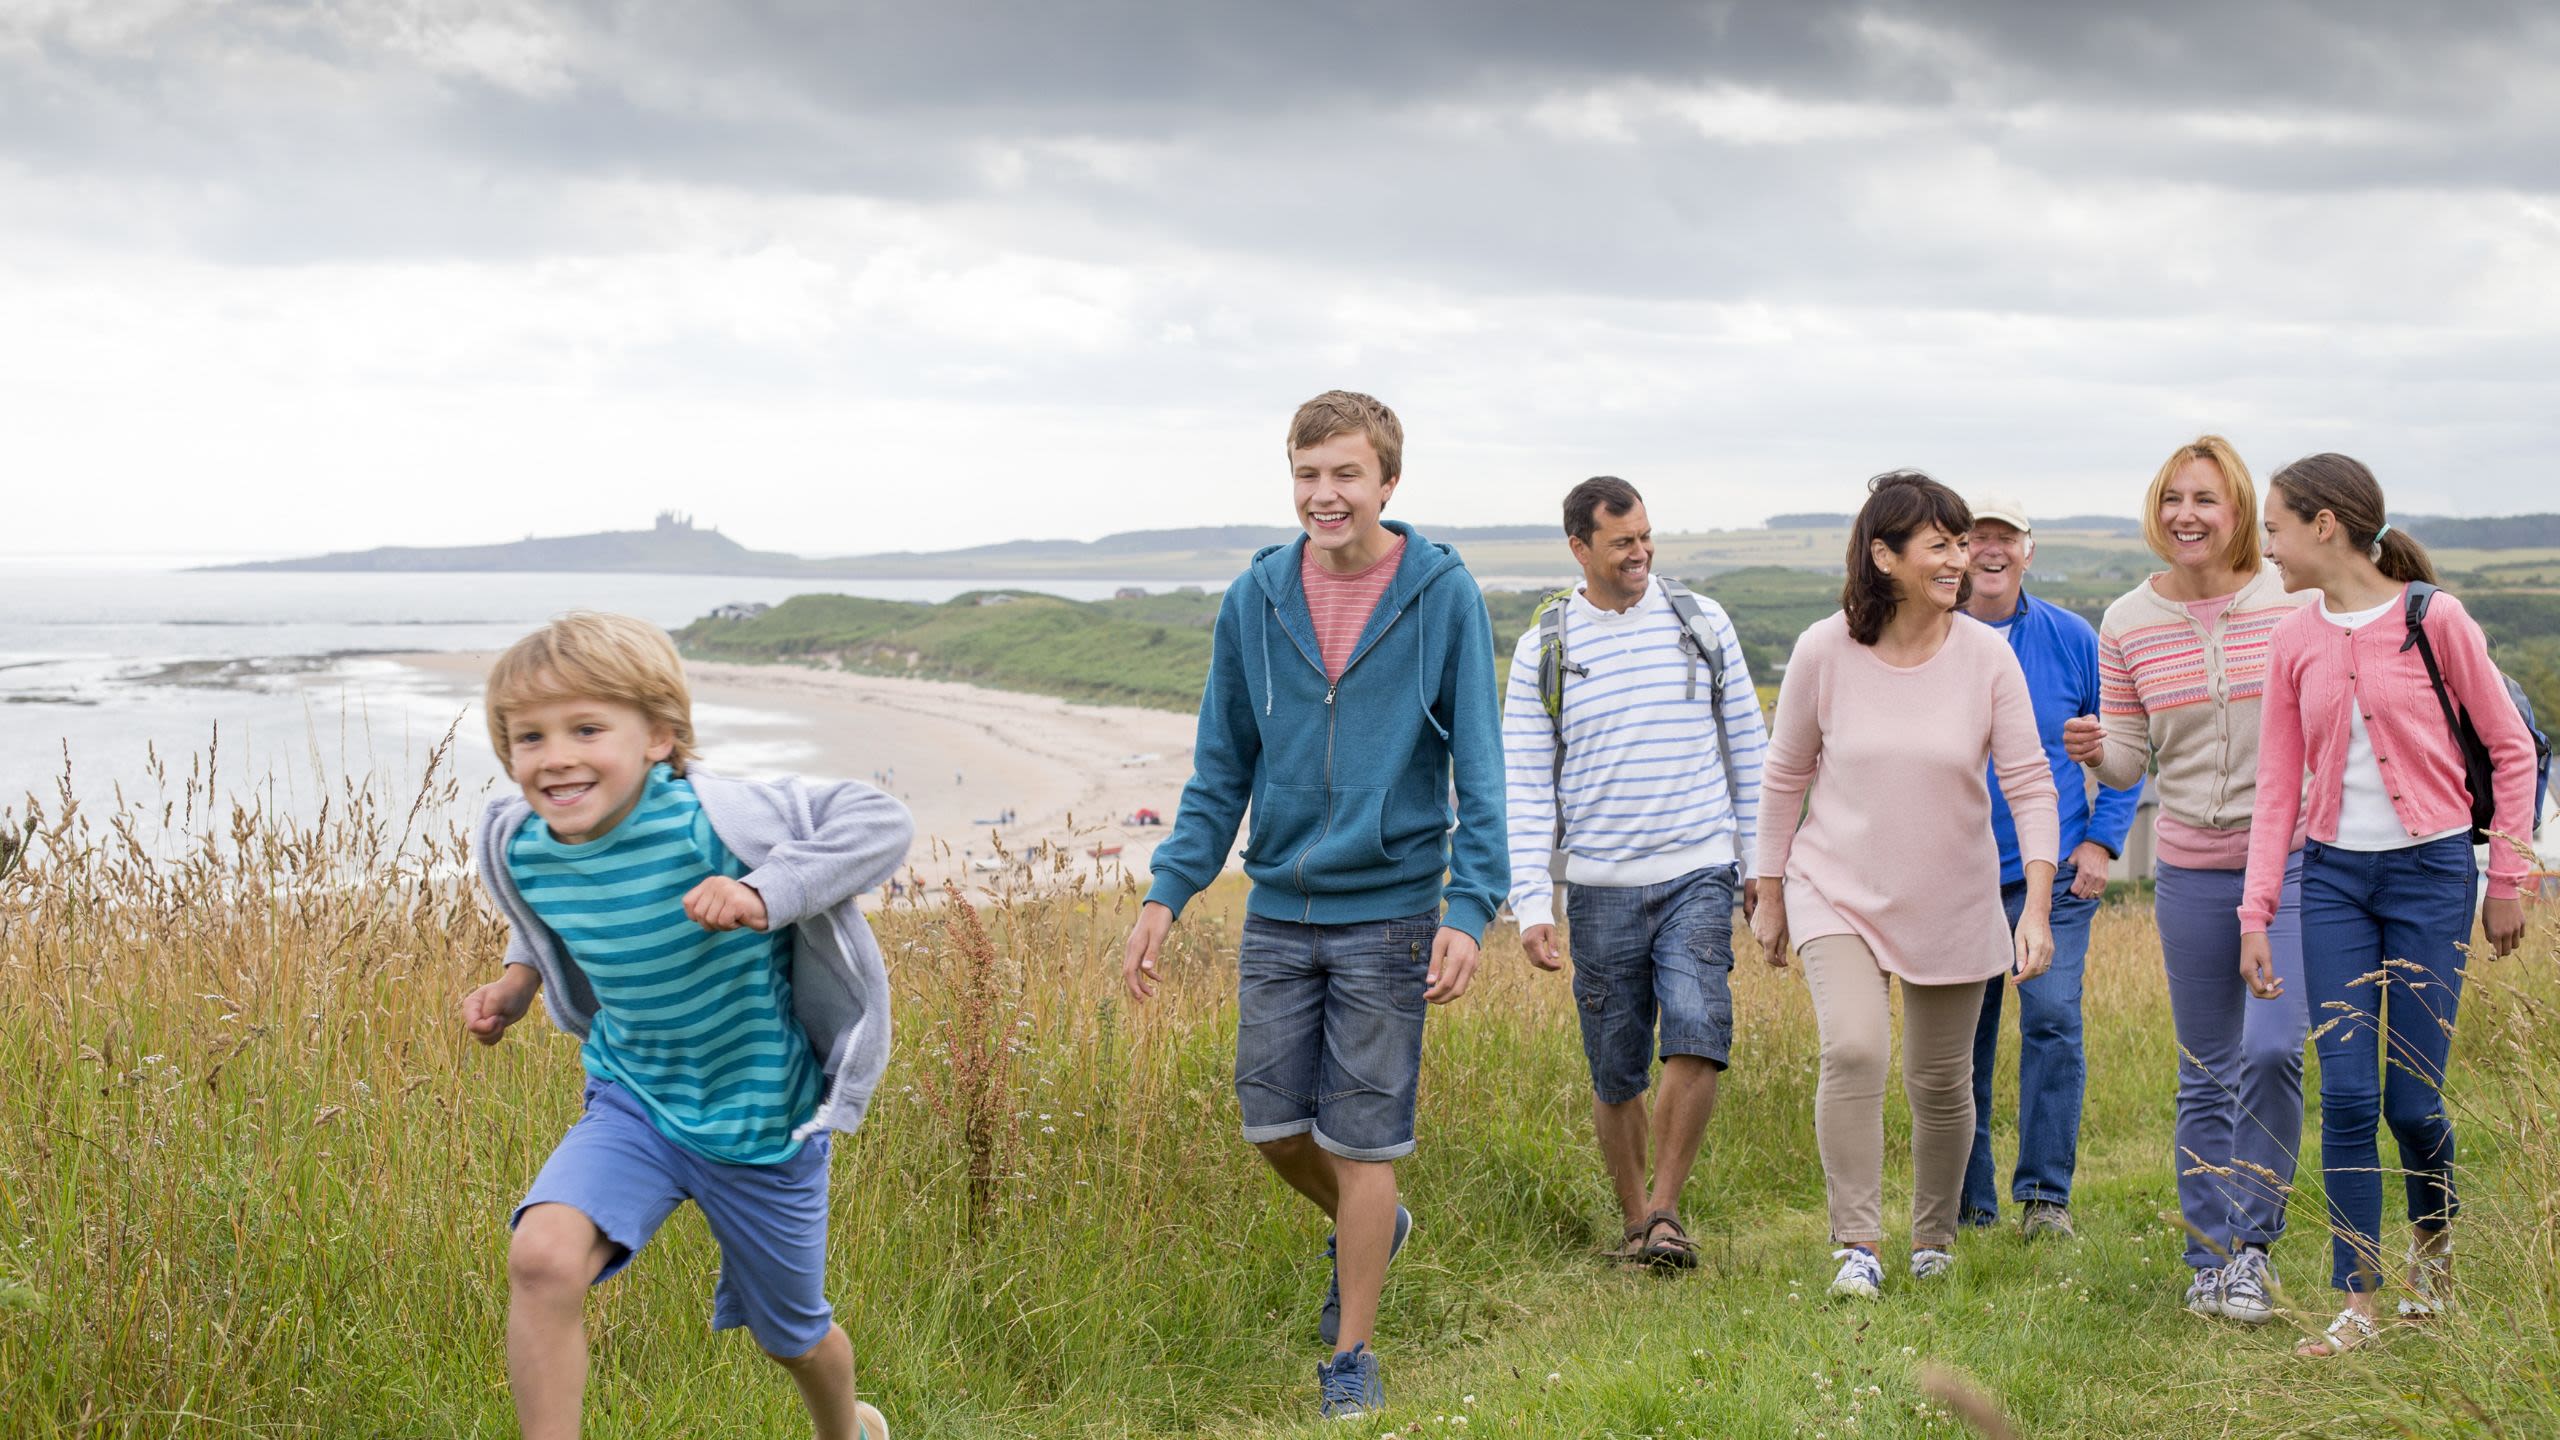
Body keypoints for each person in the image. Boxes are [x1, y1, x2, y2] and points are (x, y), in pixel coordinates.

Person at [1121, 390, 1507, 1418]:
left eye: (1345, 474)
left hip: (1392, 909)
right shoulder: (1255, 598)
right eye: (1306, 474)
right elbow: (1219, 768)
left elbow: (1481, 762)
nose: (1323, 494)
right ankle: (1374, 1229)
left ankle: (1351, 1357)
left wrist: (1471, 907)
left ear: (1386, 481)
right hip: (1280, 905)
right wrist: (1169, 892)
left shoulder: (1442, 595)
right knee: (1270, 1126)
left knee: (1364, 1139)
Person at [459, 612, 909, 1440]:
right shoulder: (523, 842)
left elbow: (882, 821)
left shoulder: (718, 822)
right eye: (528, 738)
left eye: (586, 728)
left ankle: (850, 1432)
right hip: (633, 1100)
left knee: (792, 1336)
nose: (554, 755)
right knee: (542, 1257)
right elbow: (552, 912)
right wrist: (518, 983)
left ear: (659, 736)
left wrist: (764, 891)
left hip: (760, 1122)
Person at [2240, 453, 2534, 1357]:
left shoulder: (2434, 619)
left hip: (2432, 878)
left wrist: (2507, 884)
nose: (2270, 547)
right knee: (2350, 1094)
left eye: (2277, 528)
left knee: (2413, 1102)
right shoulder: (2294, 636)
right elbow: (2279, 786)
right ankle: (2357, 1300)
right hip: (2331, 883)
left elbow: (2512, 751)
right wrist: (2256, 914)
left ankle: (2434, 1254)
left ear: (2326, 525)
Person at [1751, 472, 2057, 1301]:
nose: (1958, 559)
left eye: (1961, 543)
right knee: (1853, 1048)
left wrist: (2035, 900)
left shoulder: (1987, 658)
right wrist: (1770, 889)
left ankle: (1932, 1239)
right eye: (1940, 545)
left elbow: (2029, 781)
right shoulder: (1824, 649)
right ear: (1883, 556)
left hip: (1953, 895)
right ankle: (1856, 1242)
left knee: (1940, 1081)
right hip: (1835, 885)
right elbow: (1785, 776)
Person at [2063, 435, 2310, 1324]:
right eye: (2172, 499)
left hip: (2290, 861)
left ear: (2239, 508)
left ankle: (2256, 1243)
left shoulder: (2294, 601)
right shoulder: (2126, 620)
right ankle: (2209, 1258)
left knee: (2274, 1049)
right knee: (2207, 1070)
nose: (2185, 515)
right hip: (2192, 869)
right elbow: (2133, 761)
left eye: (2204, 498)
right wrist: (2101, 751)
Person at [1502, 476, 1766, 1269]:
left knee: (1697, 1029)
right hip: (1599, 884)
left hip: (1699, 867)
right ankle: (1633, 1224)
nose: (1641, 553)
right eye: (1622, 542)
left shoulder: (1701, 622)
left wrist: (1762, 866)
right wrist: (1530, 903)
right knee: (1615, 1065)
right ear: (1579, 548)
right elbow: (1524, 780)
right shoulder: (1544, 645)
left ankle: (1665, 1213)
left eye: (1646, 536)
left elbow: (1751, 748)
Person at [1958, 498, 2145, 1241]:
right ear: (1956, 551)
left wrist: (2102, 841)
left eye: (2006, 537)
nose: (1991, 550)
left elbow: (2127, 746)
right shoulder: (1934, 636)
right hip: (1957, 876)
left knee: (2054, 1023)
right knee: (1959, 1043)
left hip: (2057, 876)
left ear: (2027, 551)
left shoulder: (2073, 638)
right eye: (1977, 538)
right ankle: (1968, 1206)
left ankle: (2045, 1201)